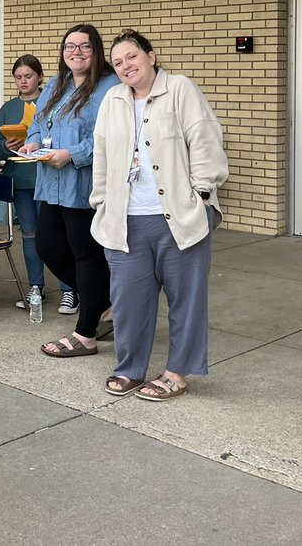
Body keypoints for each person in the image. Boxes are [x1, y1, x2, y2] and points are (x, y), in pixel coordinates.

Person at [91, 29, 228, 401]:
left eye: (132, 57)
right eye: (117, 62)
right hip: (125, 219)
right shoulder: (113, 99)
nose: (125, 66)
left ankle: (176, 373)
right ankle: (130, 369)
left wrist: (200, 195)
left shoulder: (180, 89)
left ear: (151, 56)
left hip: (178, 215)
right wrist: (101, 200)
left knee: (186, 299)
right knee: (128, 300)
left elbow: (205, 140)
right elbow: (101, 153)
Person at [23, 23, 117, 357]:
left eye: (84, 46)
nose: (75, 52)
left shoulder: (110, 87)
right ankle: (103, 303)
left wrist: (73, 154)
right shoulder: (55, 83)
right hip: (51, 183)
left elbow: (111, 136)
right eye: (69, 46)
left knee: (85, 255)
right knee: (49, 247)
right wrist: (32, 141)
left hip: (84, 185)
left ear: (97, 51)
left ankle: (86, 332)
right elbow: (37, 122)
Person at [0, 55, 73, 309]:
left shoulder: (53, 103)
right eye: (18, 77)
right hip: (21, 181)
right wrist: (7, 145)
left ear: (39, 77)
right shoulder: (8, 108)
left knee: (57, 237)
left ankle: (70, 289)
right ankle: (36, 289)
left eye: (28, 76)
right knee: (29, 236)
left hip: (48, 180)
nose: (23, 81)